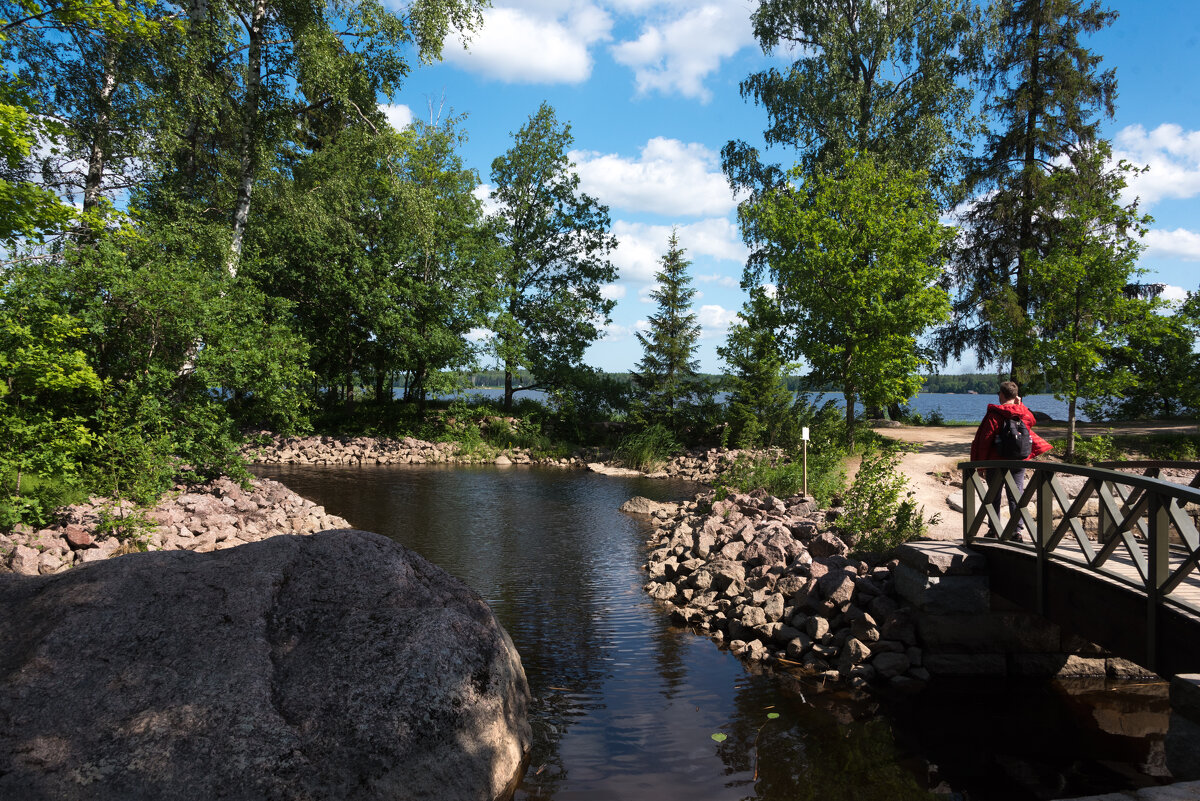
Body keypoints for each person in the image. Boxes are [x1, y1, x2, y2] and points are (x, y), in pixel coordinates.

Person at [969, 380, 1052, 541]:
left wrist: (980, 464)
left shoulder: (994, 415)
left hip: (995, 462)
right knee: (1016, 495)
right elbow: (1032, 421)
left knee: (994, 496)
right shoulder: (1023, 413)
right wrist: (1020, 404)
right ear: (1015, 396)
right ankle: (1016, 531)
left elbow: (984, 440)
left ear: (1001, 394)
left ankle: (994, 530)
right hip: (1018, 461)